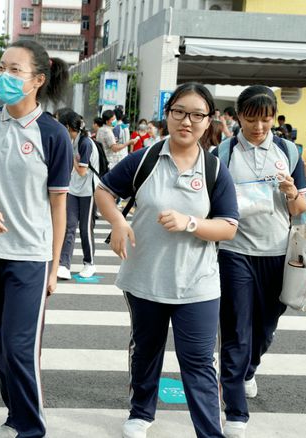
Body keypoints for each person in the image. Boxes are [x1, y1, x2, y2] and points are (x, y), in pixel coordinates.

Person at [95, 82, 238, 438]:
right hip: (145, 277)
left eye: (196, 115)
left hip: (197, 283)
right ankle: (141, 412)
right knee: (146, 349)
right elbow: (103, 191)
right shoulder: (144, 158)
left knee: (199, 362)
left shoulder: (215, 170)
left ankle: (209, 431)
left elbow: (228, 227)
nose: (186, 121)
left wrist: (190, 223)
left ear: (208, 121)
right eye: (179, 112)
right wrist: (117, 222)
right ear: (168, 114)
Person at [0, 39, 72, 438]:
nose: (3, 76)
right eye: (0, 67)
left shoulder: (54, 134)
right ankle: (15, 412)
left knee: (20, 349)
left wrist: (55, 267)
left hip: (30, 257)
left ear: (38, 79)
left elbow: (60, 207)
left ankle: (28, 427)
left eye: (14, 70)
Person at [216, 85, 306, 438]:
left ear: (274, 119)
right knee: (237, 329)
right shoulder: (222, 153)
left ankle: (249, 368)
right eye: (251, 119)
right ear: (239, 117)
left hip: (277, 252)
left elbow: (300, 210)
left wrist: (290, 192)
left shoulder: (288, 151)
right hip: (234, 251)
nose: (258, 127)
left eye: (265, 120)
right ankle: (236, 412)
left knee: (265, 328)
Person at [57, 110, 98, 280]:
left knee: (85, 228)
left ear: (67, 126)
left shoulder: (85, 143)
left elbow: (82, 171)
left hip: (89, 190)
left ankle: (90, 263)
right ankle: (64, 264)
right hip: (74, 189)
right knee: (69, 226)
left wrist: (70, 156)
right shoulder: (73, 140)